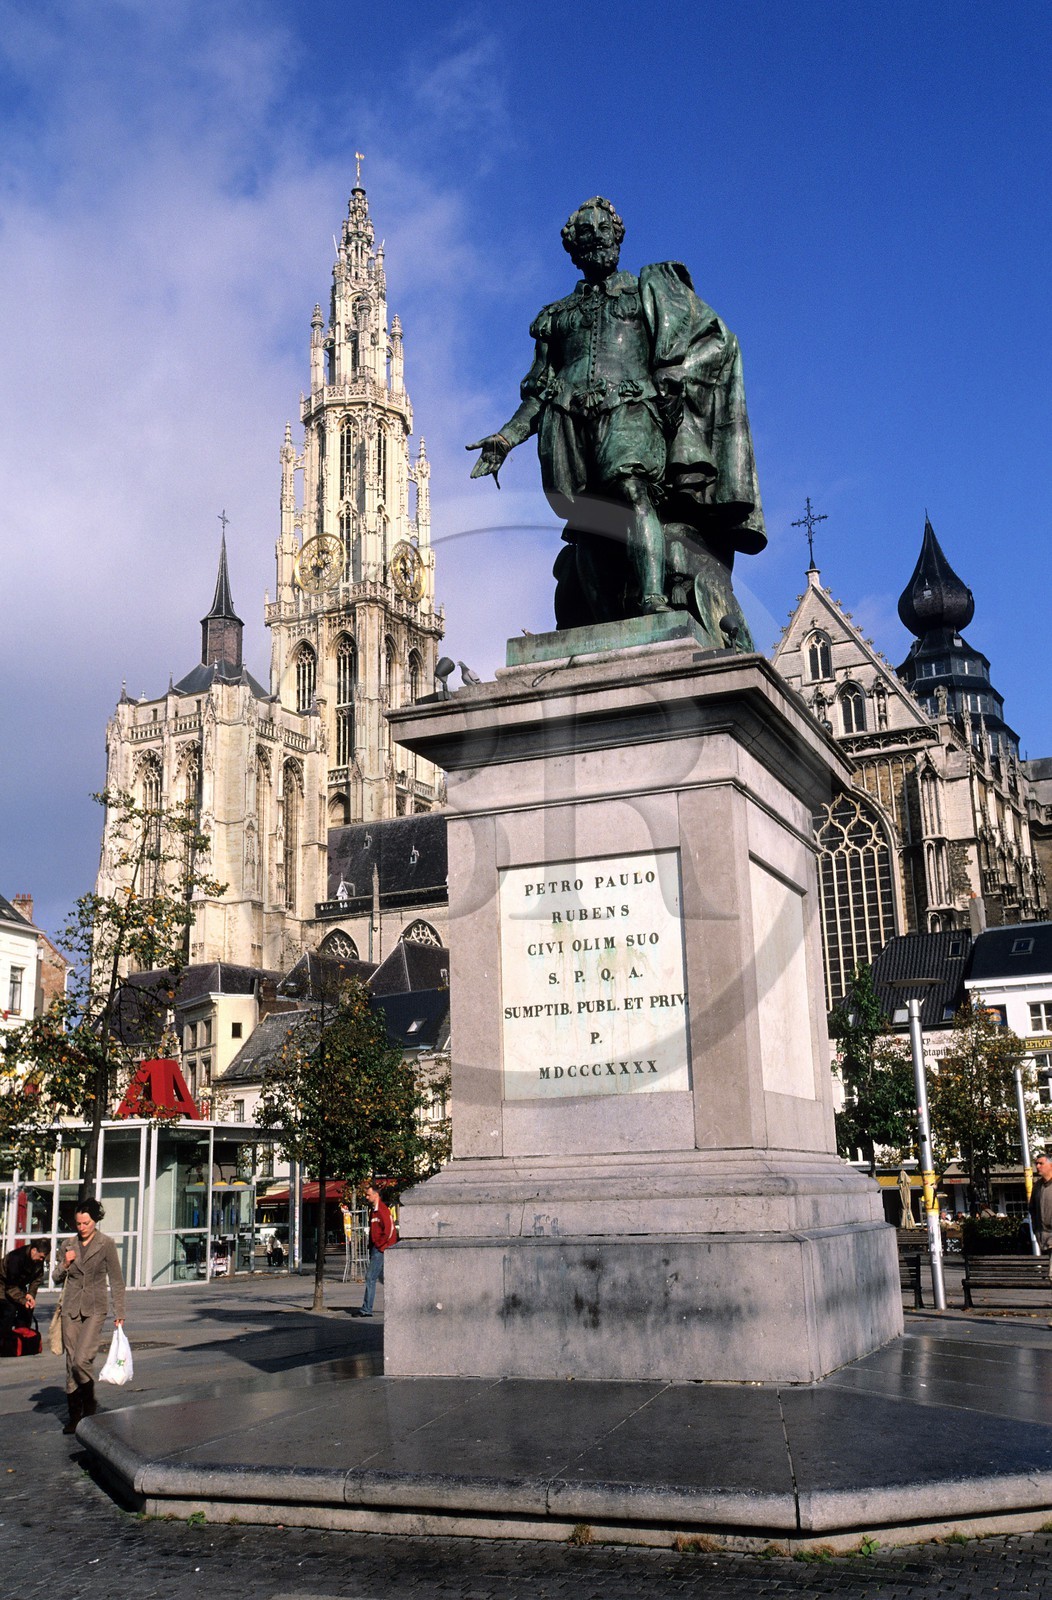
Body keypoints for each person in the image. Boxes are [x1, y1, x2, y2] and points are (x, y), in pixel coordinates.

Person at [468, 196, 765, 632]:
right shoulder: (555, 317)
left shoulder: (649, 290)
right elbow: (538, 391)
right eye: (584, 234)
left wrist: (677, 374)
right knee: (586, 523)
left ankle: (652, 597)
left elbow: (719, 340)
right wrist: (506, 437)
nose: (595, 239)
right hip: (568, 425)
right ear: (573, 248)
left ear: (617, 236)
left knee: (632, 491)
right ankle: (606, 627)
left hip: (631, 410)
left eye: (603, 229)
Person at [52, 1198, 126, 1434]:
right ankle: (75, 1416)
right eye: (78, 1223)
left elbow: (116, 1279)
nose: (81, 1227)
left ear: (95, 1221)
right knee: (70, 1362)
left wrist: (119, 1311)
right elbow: (54, 1277)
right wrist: (65, 1263)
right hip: (71, 1308)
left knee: (81, 1359)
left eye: (86, 1223)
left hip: (95, 1307)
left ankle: (90, 1402)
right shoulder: (68, 1244)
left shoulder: (106, 1244)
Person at [355, 1181, 396, 1318]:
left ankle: (366, 1309)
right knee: (384, 1278)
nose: (367, 1197)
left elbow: (389, 1230)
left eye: (368, 1195)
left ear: (376, 1195)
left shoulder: (382, 1210)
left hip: (380, 1249)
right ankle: (398, 1301)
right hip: (377, 1248)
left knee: (370, 1278)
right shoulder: (374, 1211)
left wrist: (380, 1246)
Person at [0, 1240, 48, 1338]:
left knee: (27, 1308)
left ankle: (22, 1338)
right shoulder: (16, 1258)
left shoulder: (38, 1260)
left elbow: (37, 1279)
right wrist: (23, 1300)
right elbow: (10, 1287)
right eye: (41, 1257)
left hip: (17, 1285)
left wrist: (31, 1294)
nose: (42, 1260)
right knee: (9, 1310)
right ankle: (3, 1341)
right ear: (34, 1250)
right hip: (3, 1283)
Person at [1029, 1151, 1052, 1277]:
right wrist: (1036, 1229)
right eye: (1036, 1163)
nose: (1037, 1166)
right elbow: (1032, 1209)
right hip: (1044, 1237)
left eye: (1041, 1163)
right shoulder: (1037, 1186)